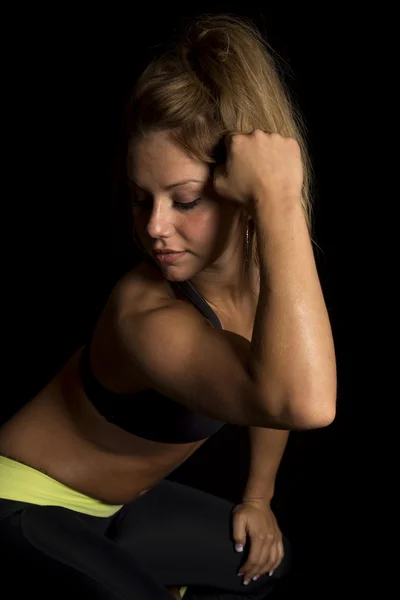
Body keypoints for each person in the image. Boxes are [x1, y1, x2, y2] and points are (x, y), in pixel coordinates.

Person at [0, 12, 336, 600]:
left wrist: (257, 497)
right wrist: (282, 199)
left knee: (261, 571)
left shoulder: (266, 280)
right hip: (22, 502)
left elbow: (271, 387)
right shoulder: (144, 314)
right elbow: (301, 401)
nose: (155, 228)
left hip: (122, 508)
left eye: (184, 200)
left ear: (242, 190)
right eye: (139, 199)